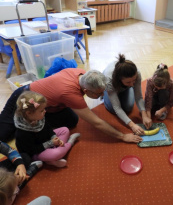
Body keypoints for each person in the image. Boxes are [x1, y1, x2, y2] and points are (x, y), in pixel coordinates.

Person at [0, 68, 141, 143]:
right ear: (86, 91)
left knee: (72, 120)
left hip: (48, 103)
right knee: (5, 134)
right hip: (24, 98)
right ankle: (25, 121)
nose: (101, 96)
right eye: (98, 94)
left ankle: (40, 118)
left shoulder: (82, 74)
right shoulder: (71, 95)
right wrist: (122, 136)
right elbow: (97, 123)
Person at [14, 91, 81, 168]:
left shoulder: (38, 117)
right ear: (29, 113)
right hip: (36, 153)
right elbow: (32, 150)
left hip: (46, 141)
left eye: (44, 109)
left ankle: (52, 158)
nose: (45, 111)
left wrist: (54, 137)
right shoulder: (22, 133)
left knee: (65, 129)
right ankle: (69, 143)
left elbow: (49, 129)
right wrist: (51, 143)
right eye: (42, 110)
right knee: (56, 153)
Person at [103, 54, 152, 135]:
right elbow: (117, 107)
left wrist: (144, 115)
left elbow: (139, 97)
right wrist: (132, 125)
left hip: (123, 87)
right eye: (128, 82)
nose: (133, 84)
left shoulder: (137, 74)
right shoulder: (108, 79)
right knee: (112, 109)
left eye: (134, 80)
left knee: (128, 107)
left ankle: (124, 88)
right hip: (110, 85)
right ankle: (104, 94)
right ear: (120, 79)